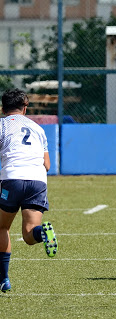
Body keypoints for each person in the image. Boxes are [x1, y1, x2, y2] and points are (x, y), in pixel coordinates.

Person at [0, 88, 58, 293]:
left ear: (2, 107)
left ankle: (4, 279)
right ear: (25, 107)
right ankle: (42, 233)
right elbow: (48, 164)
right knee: (28, 235)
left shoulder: (2, 125)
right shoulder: (37, 128)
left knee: (1, 227)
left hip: (12, 179)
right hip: (37, 181)